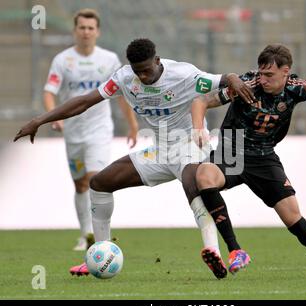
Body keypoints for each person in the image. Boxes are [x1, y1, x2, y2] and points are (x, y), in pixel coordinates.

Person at [14, 38, 255, 279]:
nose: (143, 77)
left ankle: (213, 251)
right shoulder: (124, 78)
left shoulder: (184, 74)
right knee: (99, 183)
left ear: (158, 61)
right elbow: (85, 101)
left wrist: (234, 78)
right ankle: (100, 252)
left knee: (194, 186)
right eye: (137, 71)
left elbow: (225, 79)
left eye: (147, 70)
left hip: (190, 146)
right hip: (160, 151)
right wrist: (39, 120)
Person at [190, 44, 306, 279]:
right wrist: (198, 130)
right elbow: (200, 102)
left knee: (292, 217)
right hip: (231, 150)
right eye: (261, 73)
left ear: (286, 72)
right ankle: (235, 250)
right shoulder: (246, 85)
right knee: (204, 175)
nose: (262, 79)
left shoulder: (296, 88)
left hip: (264, 157)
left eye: (269, 75)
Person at [43, 9, 139, 251]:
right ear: (75, 31)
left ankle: (96, 235)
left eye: (90, 28)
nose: (86, 32)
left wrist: (133, 124)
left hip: (99, 130)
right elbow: (49, 92)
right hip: (73, 133)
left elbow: (121, 94)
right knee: (80, 185)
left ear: (97, 32)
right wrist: (55, 118)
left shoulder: (108, 60)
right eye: (82, 28)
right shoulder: (62, 60)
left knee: (95, 178)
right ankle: (84, 232)